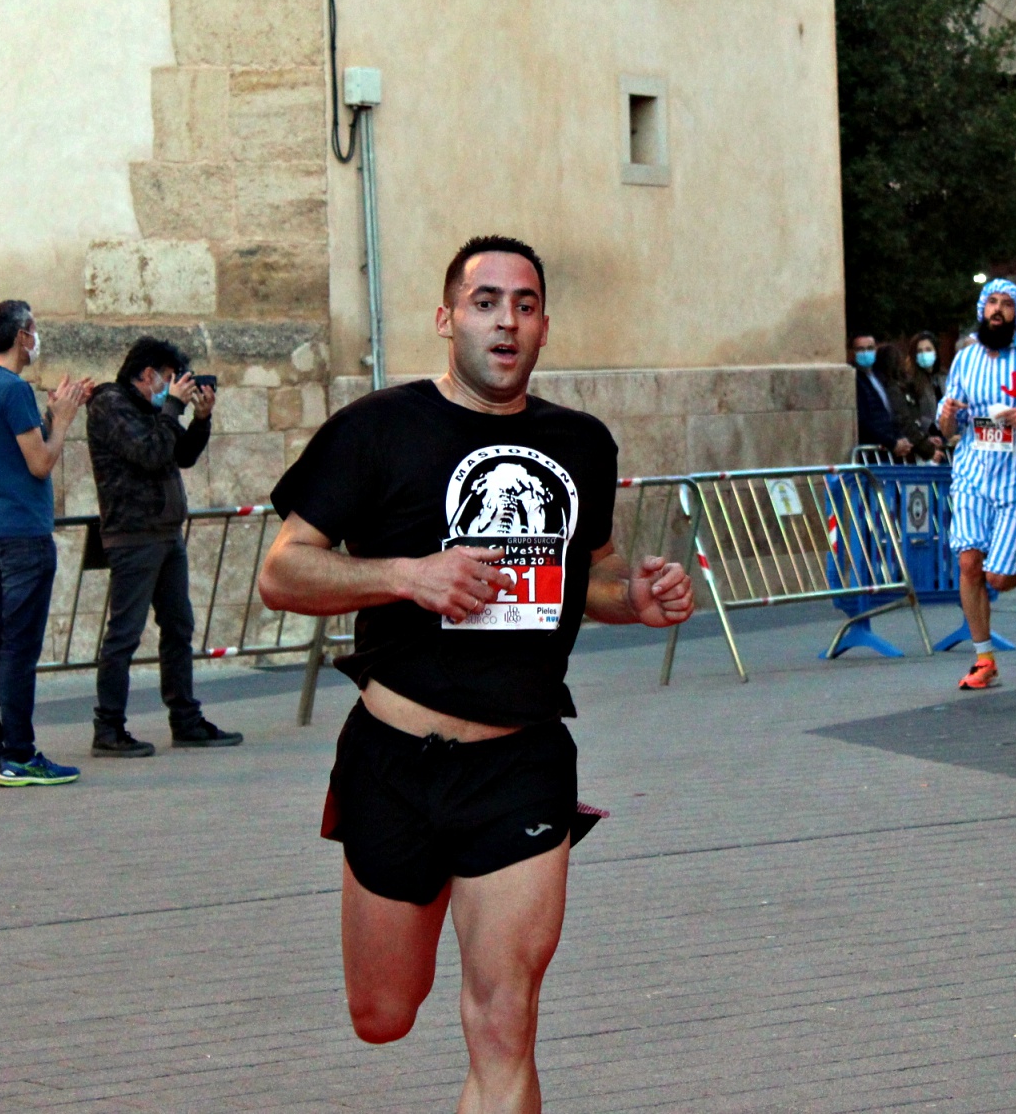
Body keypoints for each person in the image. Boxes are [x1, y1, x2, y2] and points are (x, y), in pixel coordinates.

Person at [257, 234, 694, 1114]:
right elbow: (282, 571)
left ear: (543, 327)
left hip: (520, 764)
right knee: (382, 1013)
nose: (507, 321)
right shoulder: (377, 430)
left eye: (525, 305)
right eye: (487, 301)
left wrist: (633, 595)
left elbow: (593, 574)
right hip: (394, 759)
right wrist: (405, 575)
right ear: (447, 316)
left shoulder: (580, 444)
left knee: (504, 1022)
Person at [85, 336, 244, 757]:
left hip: (165, 532)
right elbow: (151, 453)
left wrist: (201, 420)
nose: (173, 387)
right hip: (133, 536)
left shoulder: (154, 411)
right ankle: (109, 728)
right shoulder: (110, 404)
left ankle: (186, 720)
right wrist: (173, 408)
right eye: (170, 379)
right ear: (149, 374)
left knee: (178, 629)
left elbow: (181, 456)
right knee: (124, 635)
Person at [0, 300, 92, 786]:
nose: (37, 338)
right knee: (18, 648)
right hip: (23, 534)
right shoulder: (13, 389)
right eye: (34, 329)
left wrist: (51, 411)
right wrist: (62, 421)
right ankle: (19, 754)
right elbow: (39, 463)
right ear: (21, 335)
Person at [937, 278, 1016, 690]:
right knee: (969, 562)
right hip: (973, 472)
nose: (997, 309)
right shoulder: (965, 360)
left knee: (997, 579)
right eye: (991, 302)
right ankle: (984, 659)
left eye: (1007, 304)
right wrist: (949, 415)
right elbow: (945, 422)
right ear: (981, 310)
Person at [850, 332, 901, 455]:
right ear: (853, 352)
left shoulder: (880, 377)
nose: (865, 352)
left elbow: (890, 413)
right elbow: (863, 420)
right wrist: (891, 443)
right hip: (874, 451)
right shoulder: (855, 380)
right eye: (860, 349)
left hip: (889, 447)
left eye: (870, 348)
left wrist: (899, 438)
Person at [901, 331, 946, 462]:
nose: (924, 354)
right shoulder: (909, 380)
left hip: (946, 440)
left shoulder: (944, 378)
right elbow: (910, 415)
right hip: (925, 445)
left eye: (928, 349)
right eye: (919, 351)